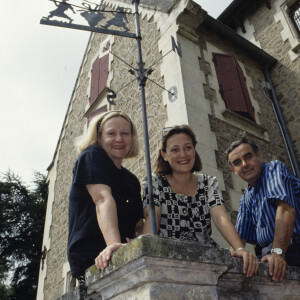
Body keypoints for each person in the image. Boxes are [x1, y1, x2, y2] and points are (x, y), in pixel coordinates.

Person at [143, 125, 258, 278]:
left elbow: (220, 217)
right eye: (175, 150)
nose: (183, 154)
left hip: (205, 258)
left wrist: (239, 249)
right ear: (164, 155)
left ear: (194, 150)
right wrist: (145, 251)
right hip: (168, 257)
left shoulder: (209, 183)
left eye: (188, 147)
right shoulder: (154, 182)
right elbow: (153, 217)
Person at [68, 111, 143, 286]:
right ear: (99, 138)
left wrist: (138, 241)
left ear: (131, 139)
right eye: (111, 133)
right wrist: (114, 246)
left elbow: (138, 223)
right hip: (95, 258)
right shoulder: (92, 155)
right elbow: (102, 199)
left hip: (124, 259)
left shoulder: (132, 180)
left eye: (125, 134)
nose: (119, 139)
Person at [226, 137, 300, 282]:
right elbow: (238, 239)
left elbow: (286, 210)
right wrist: (239, 253)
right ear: (233, 170)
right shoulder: (246, 197)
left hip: (293, 245)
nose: (245, 164)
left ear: (259, 156)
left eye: (248, 157)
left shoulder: (273, 169)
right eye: (237, 162)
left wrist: (278, 253)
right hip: (270, 251)